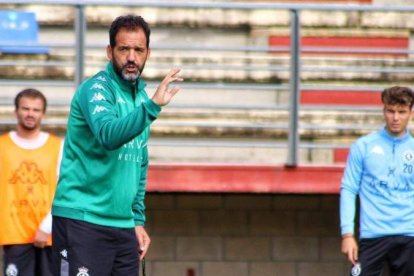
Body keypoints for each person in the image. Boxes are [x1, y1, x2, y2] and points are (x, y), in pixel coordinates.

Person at [51, 14, 183, 275]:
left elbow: (139, 163)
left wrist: (136, 219)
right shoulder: (96, 89)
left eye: (138, 50)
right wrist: (152, 107)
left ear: (148, 53)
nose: (131, 57)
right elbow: (108, 135)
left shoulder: (140, 97)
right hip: (83, 220)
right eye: (124, 49)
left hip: (122, 227)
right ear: (110, 51)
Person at [340, 86, 414, 276]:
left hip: (409, 236)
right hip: (373, 236)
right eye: (390, 111)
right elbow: (348, 189)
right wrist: (347, 234)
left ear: (411, 113)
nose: (395, 118)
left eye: (401, 112)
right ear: (384, 111)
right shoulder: (363, 147)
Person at [0, 88, 63, 276]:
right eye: (25, 108)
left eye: (36, 110)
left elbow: (65, 189)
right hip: (15, 235)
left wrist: (47, 226)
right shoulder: (2, 146)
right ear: (16, 111)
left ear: (43, 113)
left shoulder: (57, 146)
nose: (30, 114)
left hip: (50, 234)